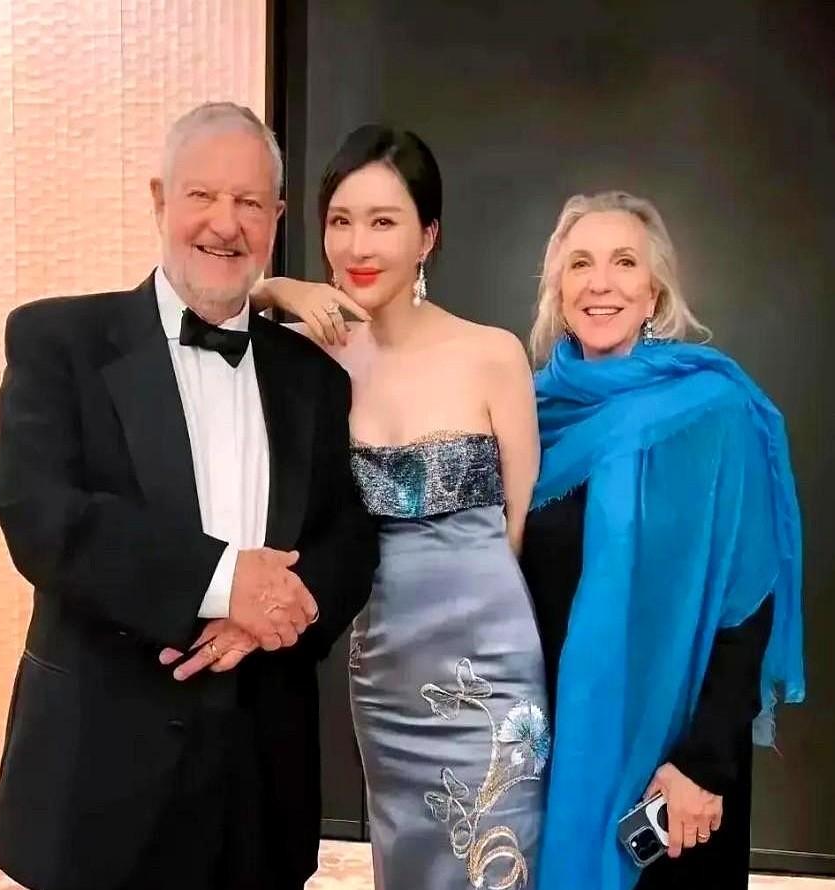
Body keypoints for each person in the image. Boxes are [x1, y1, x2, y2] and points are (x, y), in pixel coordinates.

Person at [0, 101, 377, 890]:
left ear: (274, 219)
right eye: (202, 195)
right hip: (99, 772)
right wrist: (225, 582)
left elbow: (347, 537)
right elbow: (36, 511)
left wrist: (274, 613)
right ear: (161, 200)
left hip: (260, 776)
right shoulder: (59, 340)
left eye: (248, 202)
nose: (224, 224)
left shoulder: (314, 376)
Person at [252, 124, 548, 890]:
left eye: (383, 221)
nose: (358, 245)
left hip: (491, 668)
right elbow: (205, 303)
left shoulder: (491, 353)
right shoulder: (301, 357)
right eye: (340, 221)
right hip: (384, 669)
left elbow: (519, 527)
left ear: (427, 237)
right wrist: (279, 289)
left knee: (497, 865)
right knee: (406, 860)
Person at [518, 191, 805, 890]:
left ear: (654, 291)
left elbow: (747, 606)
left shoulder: (714, 411)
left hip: (674, 773)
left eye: (624, 262)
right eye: (580, 263)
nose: (600, 283)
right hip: (550, 758)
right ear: (558, 289)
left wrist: (703, 765)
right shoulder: (525, 411)